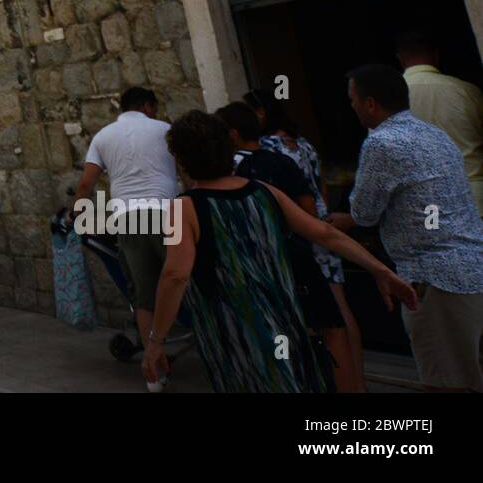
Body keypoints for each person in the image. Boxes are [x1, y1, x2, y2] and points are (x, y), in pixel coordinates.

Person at [143, 111, 417, 393]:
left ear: (182, 160)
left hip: (235, 333)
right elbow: (326, 233)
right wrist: (380, 269)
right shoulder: (264, 191)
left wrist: (156, 340)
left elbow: (176, 274)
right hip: (285, 321)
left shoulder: (182, 209)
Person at [329, 64, 483, 392]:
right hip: (471, 265)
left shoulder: (381, 143)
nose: (352, 107)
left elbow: (365, 211)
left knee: (446, 382)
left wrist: (345, 218)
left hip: (434, 277)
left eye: (353, 100)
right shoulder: (433, 133)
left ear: (370, 103)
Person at [215, 101, 354, 392]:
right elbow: (308, 210)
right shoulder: (283, 160)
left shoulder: (231, 171)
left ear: (233, 134)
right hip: (301, 251)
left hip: (262, 261)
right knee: (331, 323)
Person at [72, 87, 178, 361]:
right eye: (153, 107)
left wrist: (78, 214)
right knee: (184, 279)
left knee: (143, 295)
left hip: (128, 218)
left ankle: (155, 364)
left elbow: (86, 184)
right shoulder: (165, 129)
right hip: (169, 213)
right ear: (146, 106)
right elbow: (187, 171)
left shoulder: (103, 136)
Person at [396, 27, 483, 216]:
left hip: (428, 206)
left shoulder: (389, 99)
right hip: (475, 198)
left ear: (400, 59)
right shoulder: (466, 90)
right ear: (436, 56)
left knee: (436, 242)